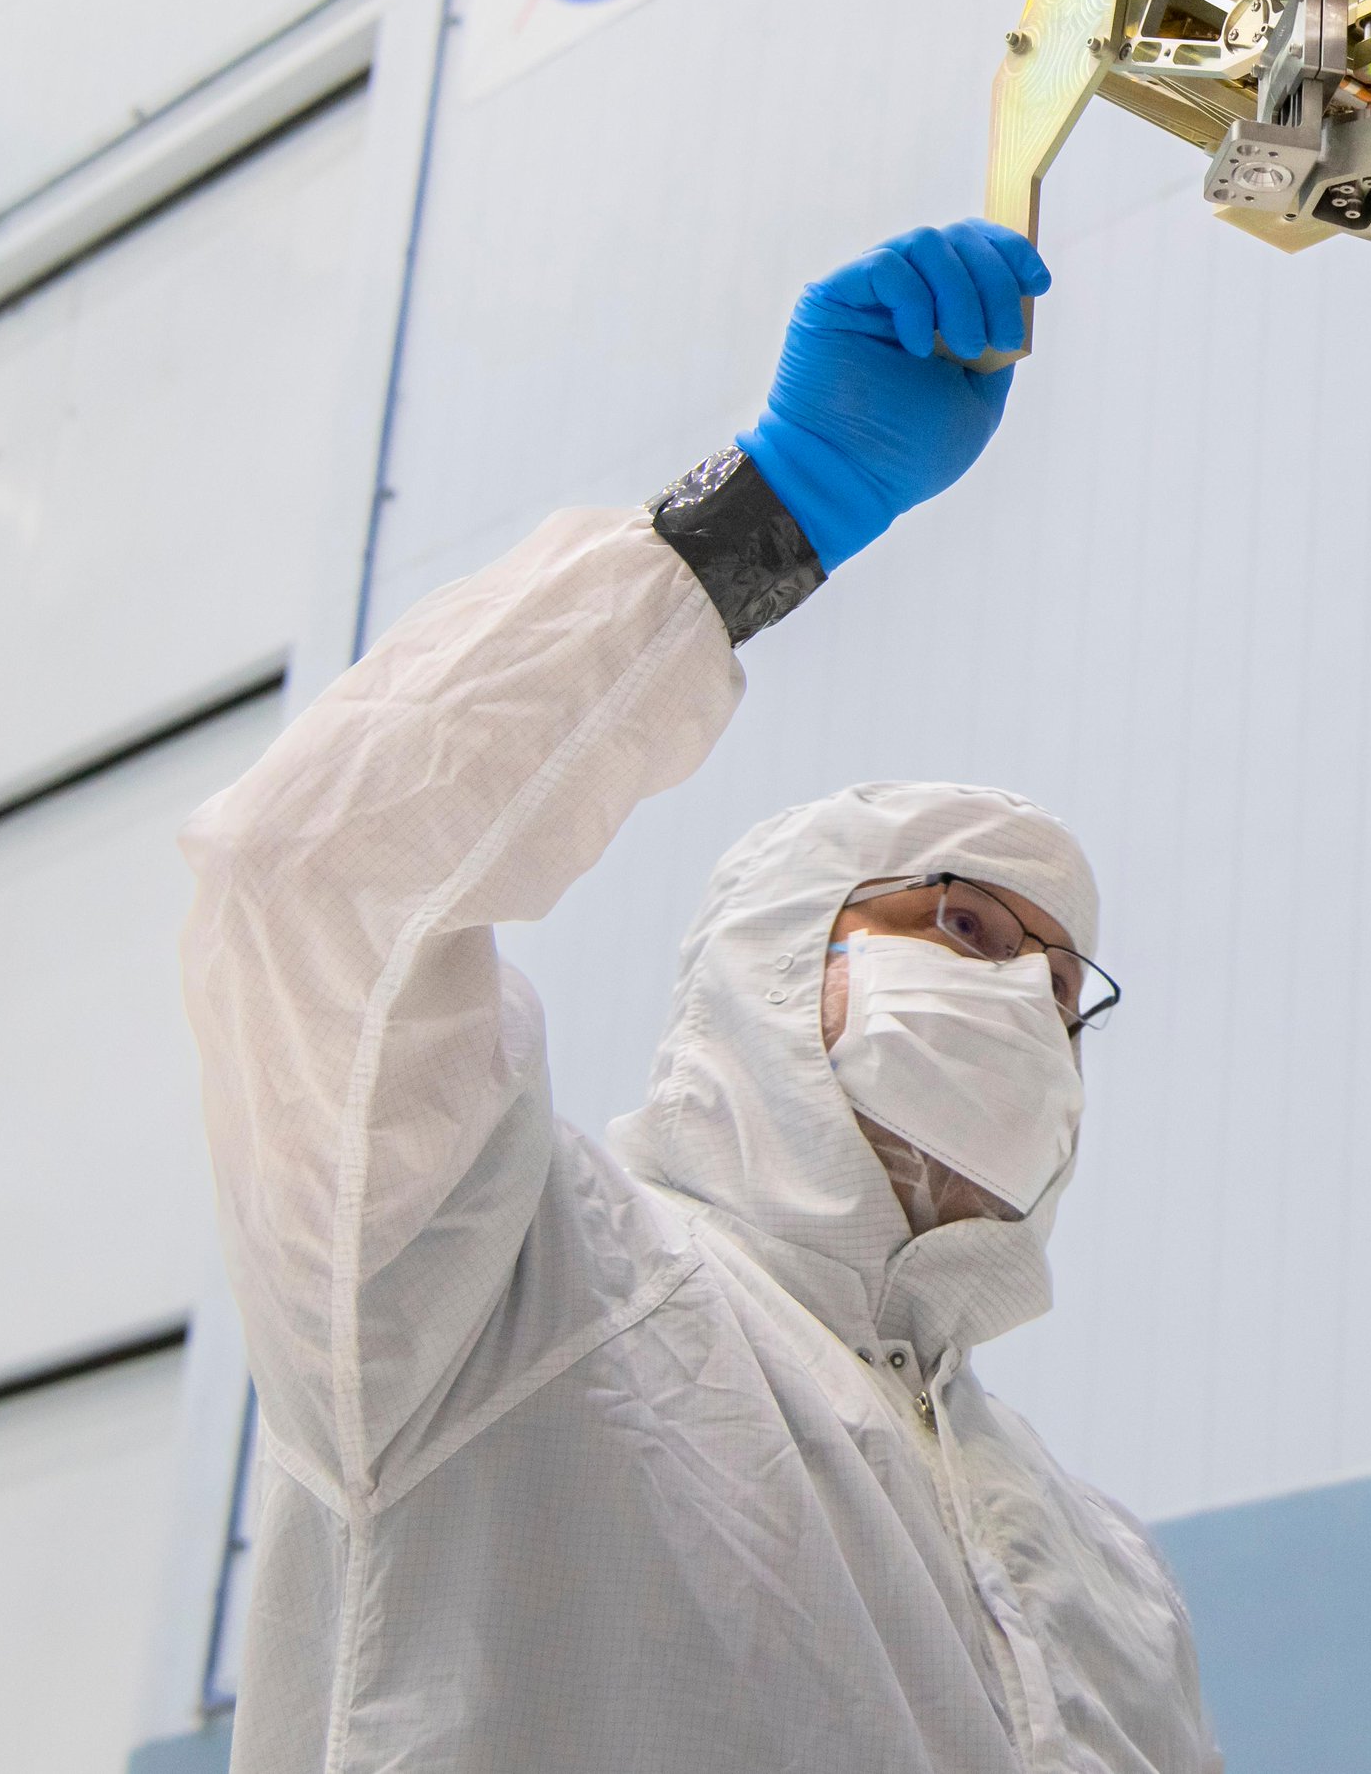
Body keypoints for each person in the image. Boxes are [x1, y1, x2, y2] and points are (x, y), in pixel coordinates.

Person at [179, 220, 1216, 1774]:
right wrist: (769, 509)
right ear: (770, 968)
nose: (1021, 995)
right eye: (958, 924)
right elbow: (315, 877)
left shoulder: (1101, 1577)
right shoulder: (508, 1286)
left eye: (1063, 985)